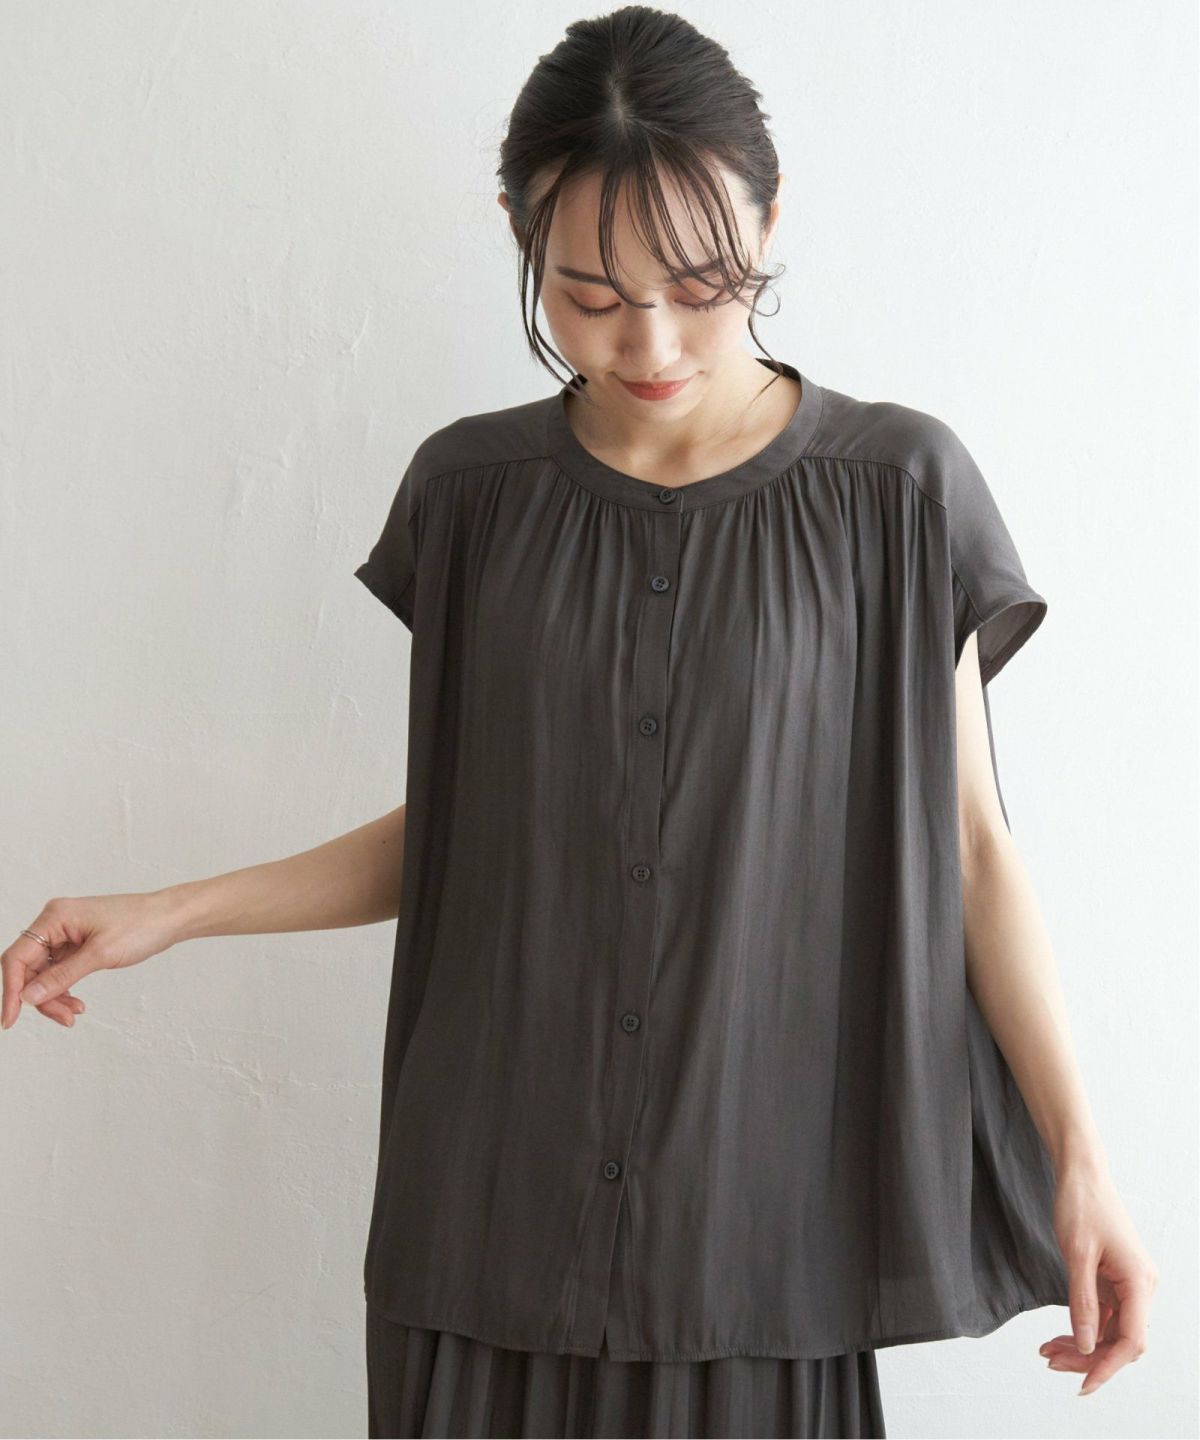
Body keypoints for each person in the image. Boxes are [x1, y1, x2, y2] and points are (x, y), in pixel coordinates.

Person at [3, 7, 1158, 1439]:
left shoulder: (896, 495)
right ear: (520, 236)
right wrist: (169, 913)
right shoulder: (470, 497)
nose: (651, 341)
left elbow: (970, 852)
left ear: (772, 221)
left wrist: (1080, 1158)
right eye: (591, 294)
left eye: (702, 285)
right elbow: (485, 823)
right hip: (486, 1221)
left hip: (761, 1245)